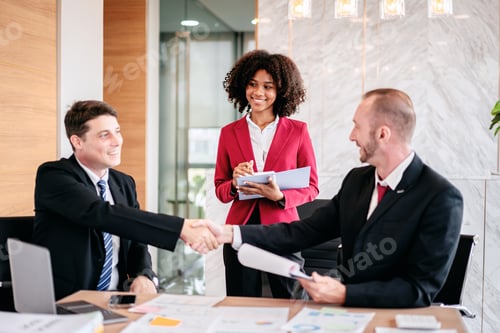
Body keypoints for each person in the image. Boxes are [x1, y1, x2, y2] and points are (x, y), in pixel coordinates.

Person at [204, 88, 463, 307]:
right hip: (347, 319)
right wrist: (232, 234)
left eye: (357, 127)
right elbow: (303, 232)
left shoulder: (440, 197)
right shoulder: (356, 181)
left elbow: (420, 290)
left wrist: (344, 293)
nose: (351, 136)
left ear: (383, 134)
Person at [33, 100, 218, 300]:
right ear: (77, 141)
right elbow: (101, 214)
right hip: (68, 303)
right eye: (105, 135)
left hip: (117, 301)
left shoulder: (124, 183)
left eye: (117, 131)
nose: (117, 141)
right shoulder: (54, 176)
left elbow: (137, 241)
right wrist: (180, 228)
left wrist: (144, 274)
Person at [215, 49, 319, 298]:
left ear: (280, 90)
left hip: (283, 230)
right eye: (252, 85)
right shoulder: (229, 133)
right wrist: (235, 183)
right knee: (241, 303)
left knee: (292, 301)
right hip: (241, 229)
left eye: (267, 86)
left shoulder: (298, 131)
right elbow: (220, 189)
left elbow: (313, 187)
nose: (258, 93)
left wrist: (280, 196)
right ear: (243, 86)